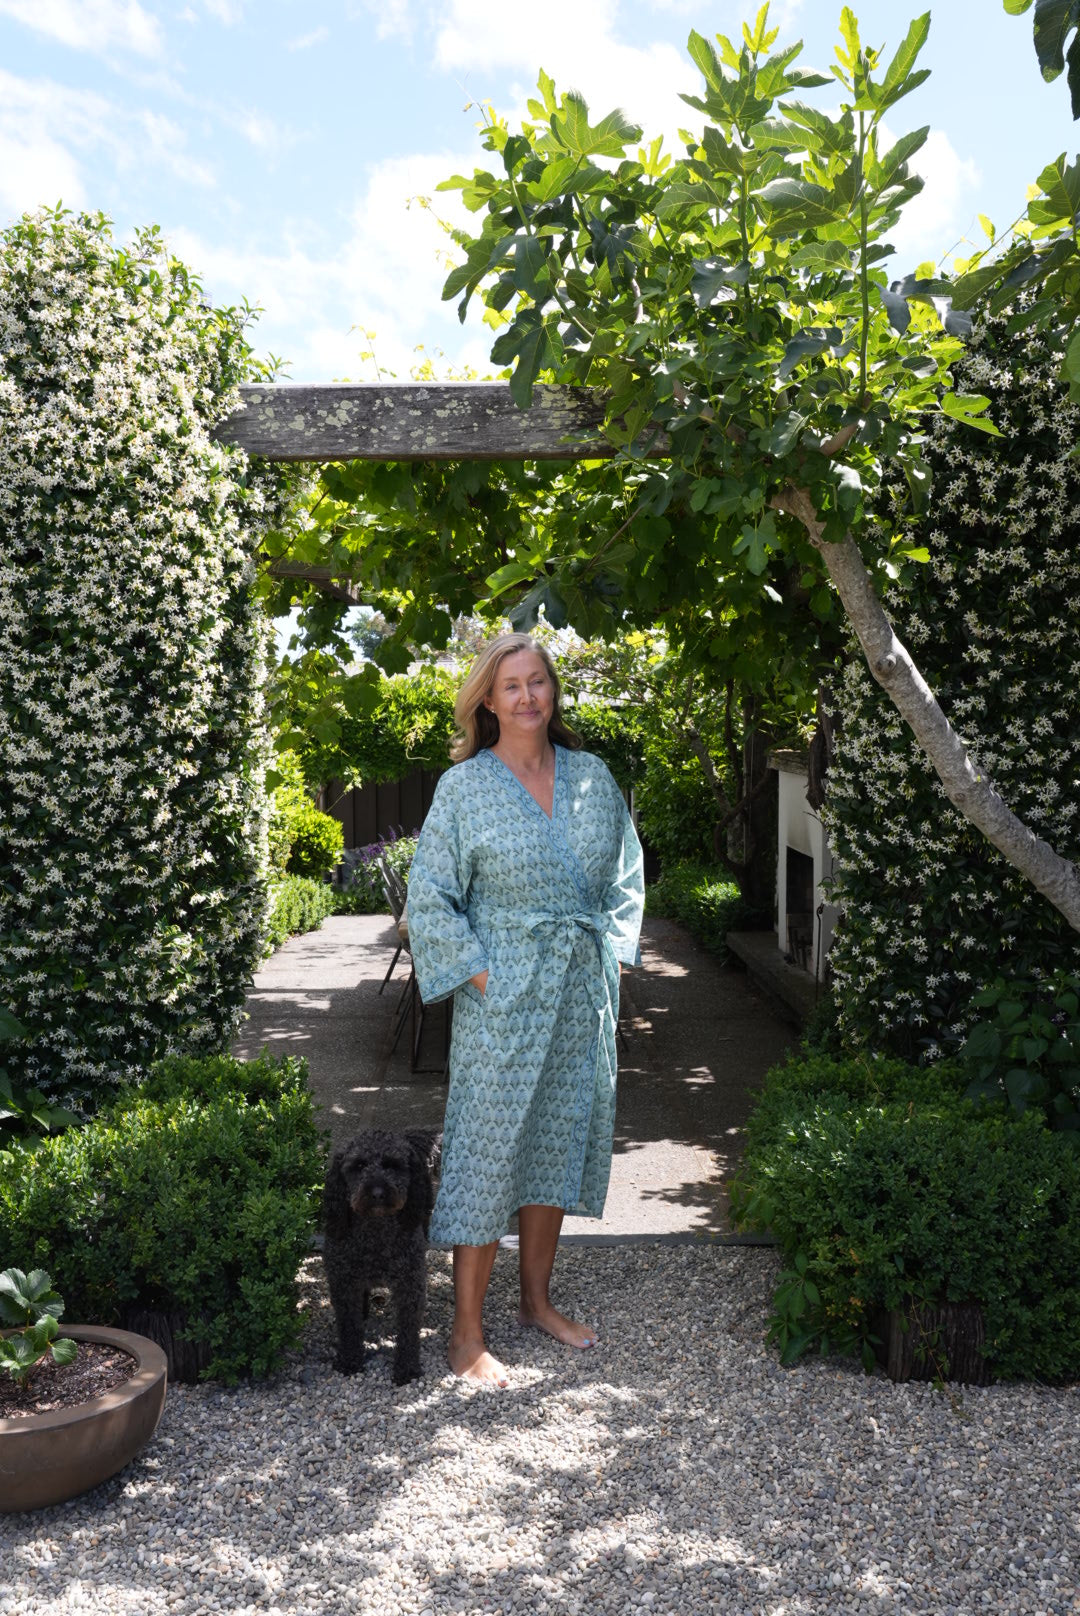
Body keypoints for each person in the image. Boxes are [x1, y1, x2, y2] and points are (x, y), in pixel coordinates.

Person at [405, 633, 645, 1386]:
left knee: (556, 1139)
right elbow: (430, 897)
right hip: (502, 994)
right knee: (486, 1151)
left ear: (553, 692)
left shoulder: (592, 776)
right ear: (486, 699)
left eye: (538, 682)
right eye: (511, 685)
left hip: (579, 988)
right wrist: (482, 978)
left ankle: (536, 1301)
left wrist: (611, 953)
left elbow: (627, 872)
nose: (528, 697)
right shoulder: (465, 787)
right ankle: (465, 1333)